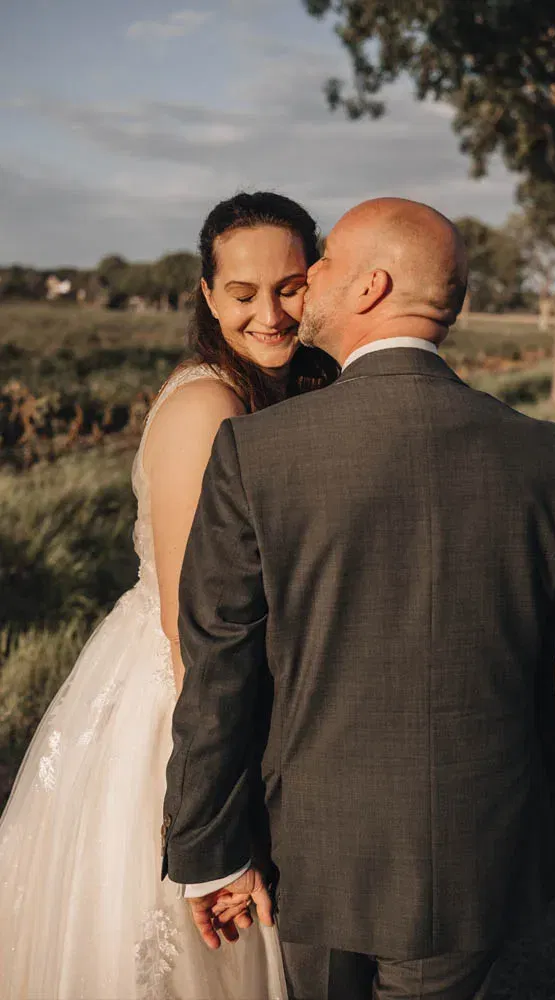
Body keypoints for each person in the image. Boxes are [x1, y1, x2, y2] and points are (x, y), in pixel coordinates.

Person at [163, 198, 555, 1000]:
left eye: (320, 266)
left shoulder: (262, 452)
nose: (307, 282)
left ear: (371, 286)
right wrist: (523, 829)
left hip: (316, 854)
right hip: (481, 847)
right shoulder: (543, 455)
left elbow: (219, 664)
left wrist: (211, 851)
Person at [0, 191, 337, 1000]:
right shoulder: (208, 406)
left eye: (289, 287)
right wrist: (211, 827)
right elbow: (195, 629)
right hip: (181, 711)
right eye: (243, 293)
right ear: (208, 295)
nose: (270, 314)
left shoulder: (285, 392)